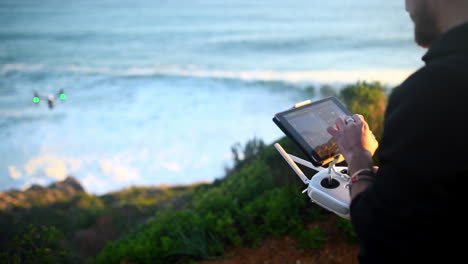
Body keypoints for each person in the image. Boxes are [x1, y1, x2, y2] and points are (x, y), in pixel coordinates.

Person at [326, 0, 468, 263]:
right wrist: (396, 179)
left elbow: (380, 230)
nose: (406, 7)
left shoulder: (432, 91)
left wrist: (358, 159)